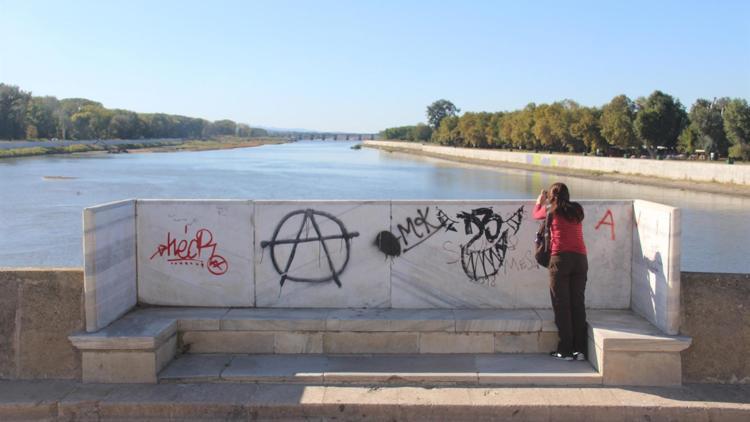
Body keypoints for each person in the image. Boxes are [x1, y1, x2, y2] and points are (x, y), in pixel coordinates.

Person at [533, 183, 588, 361]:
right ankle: (580, 350)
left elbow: (536, 215)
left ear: (551, 196)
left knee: (562, 306)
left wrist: (539, 202)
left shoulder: (551, 211)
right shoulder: (578, 210)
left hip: (560, 260)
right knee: (577, 304)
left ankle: (565, 350)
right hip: (580, 260)